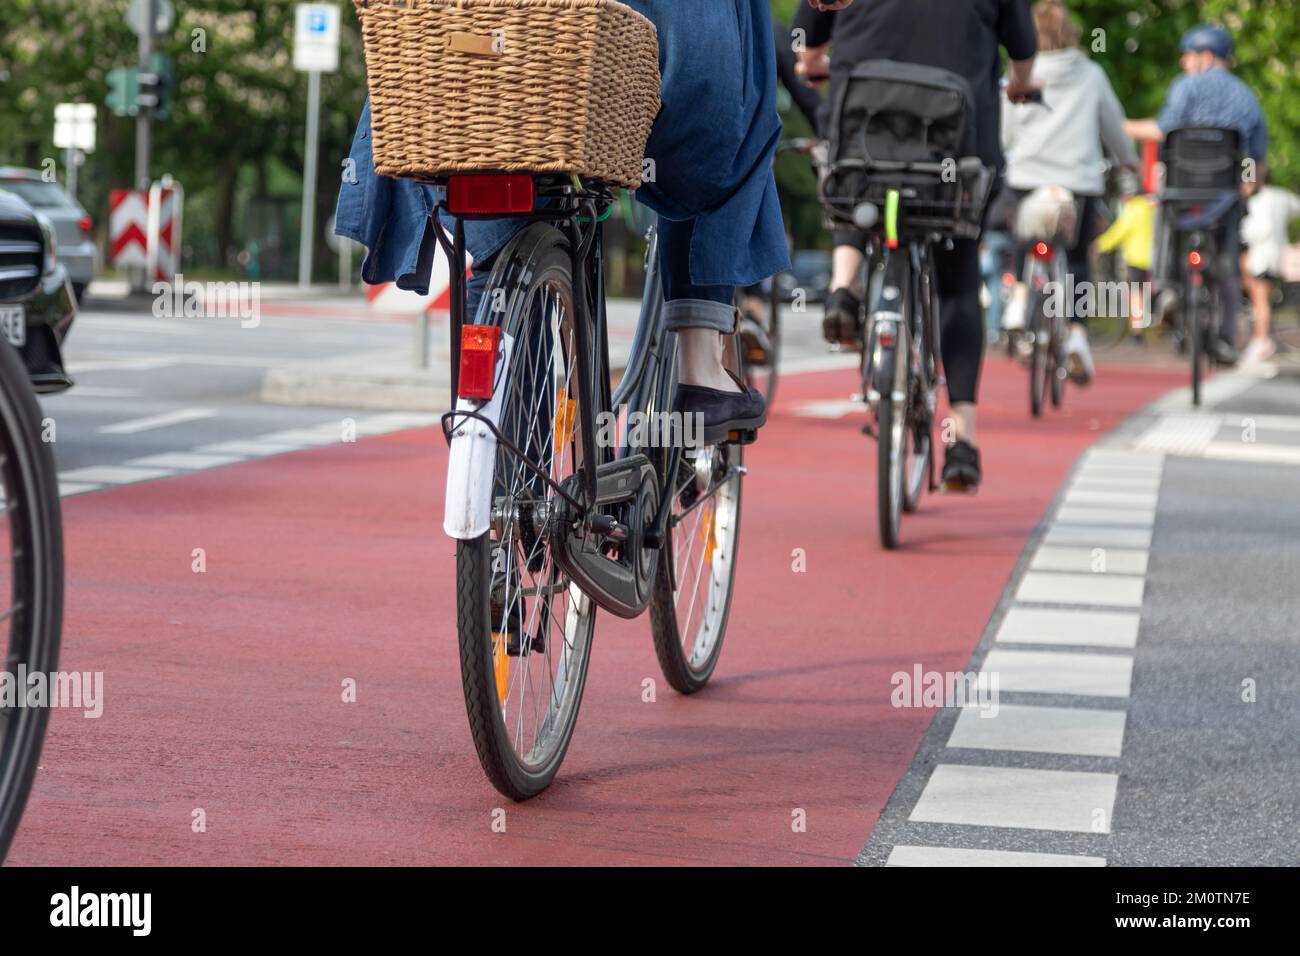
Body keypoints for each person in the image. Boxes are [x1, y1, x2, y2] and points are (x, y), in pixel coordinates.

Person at [336, 2, 827, 445]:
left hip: (497, 57)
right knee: (732, 117)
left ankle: (502, 471)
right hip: (639, 35)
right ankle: (700, 364)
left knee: (495, 182)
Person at [791, 0, 1038, 491]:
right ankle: (962, 436)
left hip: (864, 134)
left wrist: (816, 67)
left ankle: (844, 284)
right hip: (956, 151)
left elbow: (806, 44)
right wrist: (1021, 85)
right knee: (959, 282)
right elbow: (1024, 52)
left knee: (855, 188)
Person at [999, 0, 1138, 385]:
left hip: (1027, 175)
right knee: (1077, 259)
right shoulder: (1091, 74)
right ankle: (1077, 335)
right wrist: (1129, 162)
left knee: (1022, 240)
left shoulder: (1019, 71)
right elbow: (1113, 127)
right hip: (1078, 179)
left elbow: (1005, 130)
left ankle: (1019, 301)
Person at [1124, 23, 1269, 366]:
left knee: (1164, 228)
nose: (1183, 63)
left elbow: (1163, 130)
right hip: (1224, 196)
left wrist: (1121, 124)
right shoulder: (1246, 97)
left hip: (1181, 193)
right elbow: (1257, 159)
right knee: (1228, 263)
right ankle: (1225, 338)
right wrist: (1251, 185)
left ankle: (1167, 289)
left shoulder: (1184, 87)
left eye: (1187, 55)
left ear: (1205, 55)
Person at [1239, 177, 1300, 366]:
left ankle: (1261, 339)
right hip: (1277, 256)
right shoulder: (1283, 197)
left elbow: (1253, 232)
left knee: (1260, 300)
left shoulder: (1256, 203)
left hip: (1261, 257)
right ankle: (1262, 337)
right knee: (1263, 299)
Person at [1094, 169, 1157, 339]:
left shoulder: (1133, 209)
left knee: (1135, 292)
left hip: (1136, 257)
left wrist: (1100, 245)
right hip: (1152, 257)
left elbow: (1119, 231)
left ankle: (1137, 329)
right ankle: (1144, 323)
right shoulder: (1150, 207)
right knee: (1144, 291)